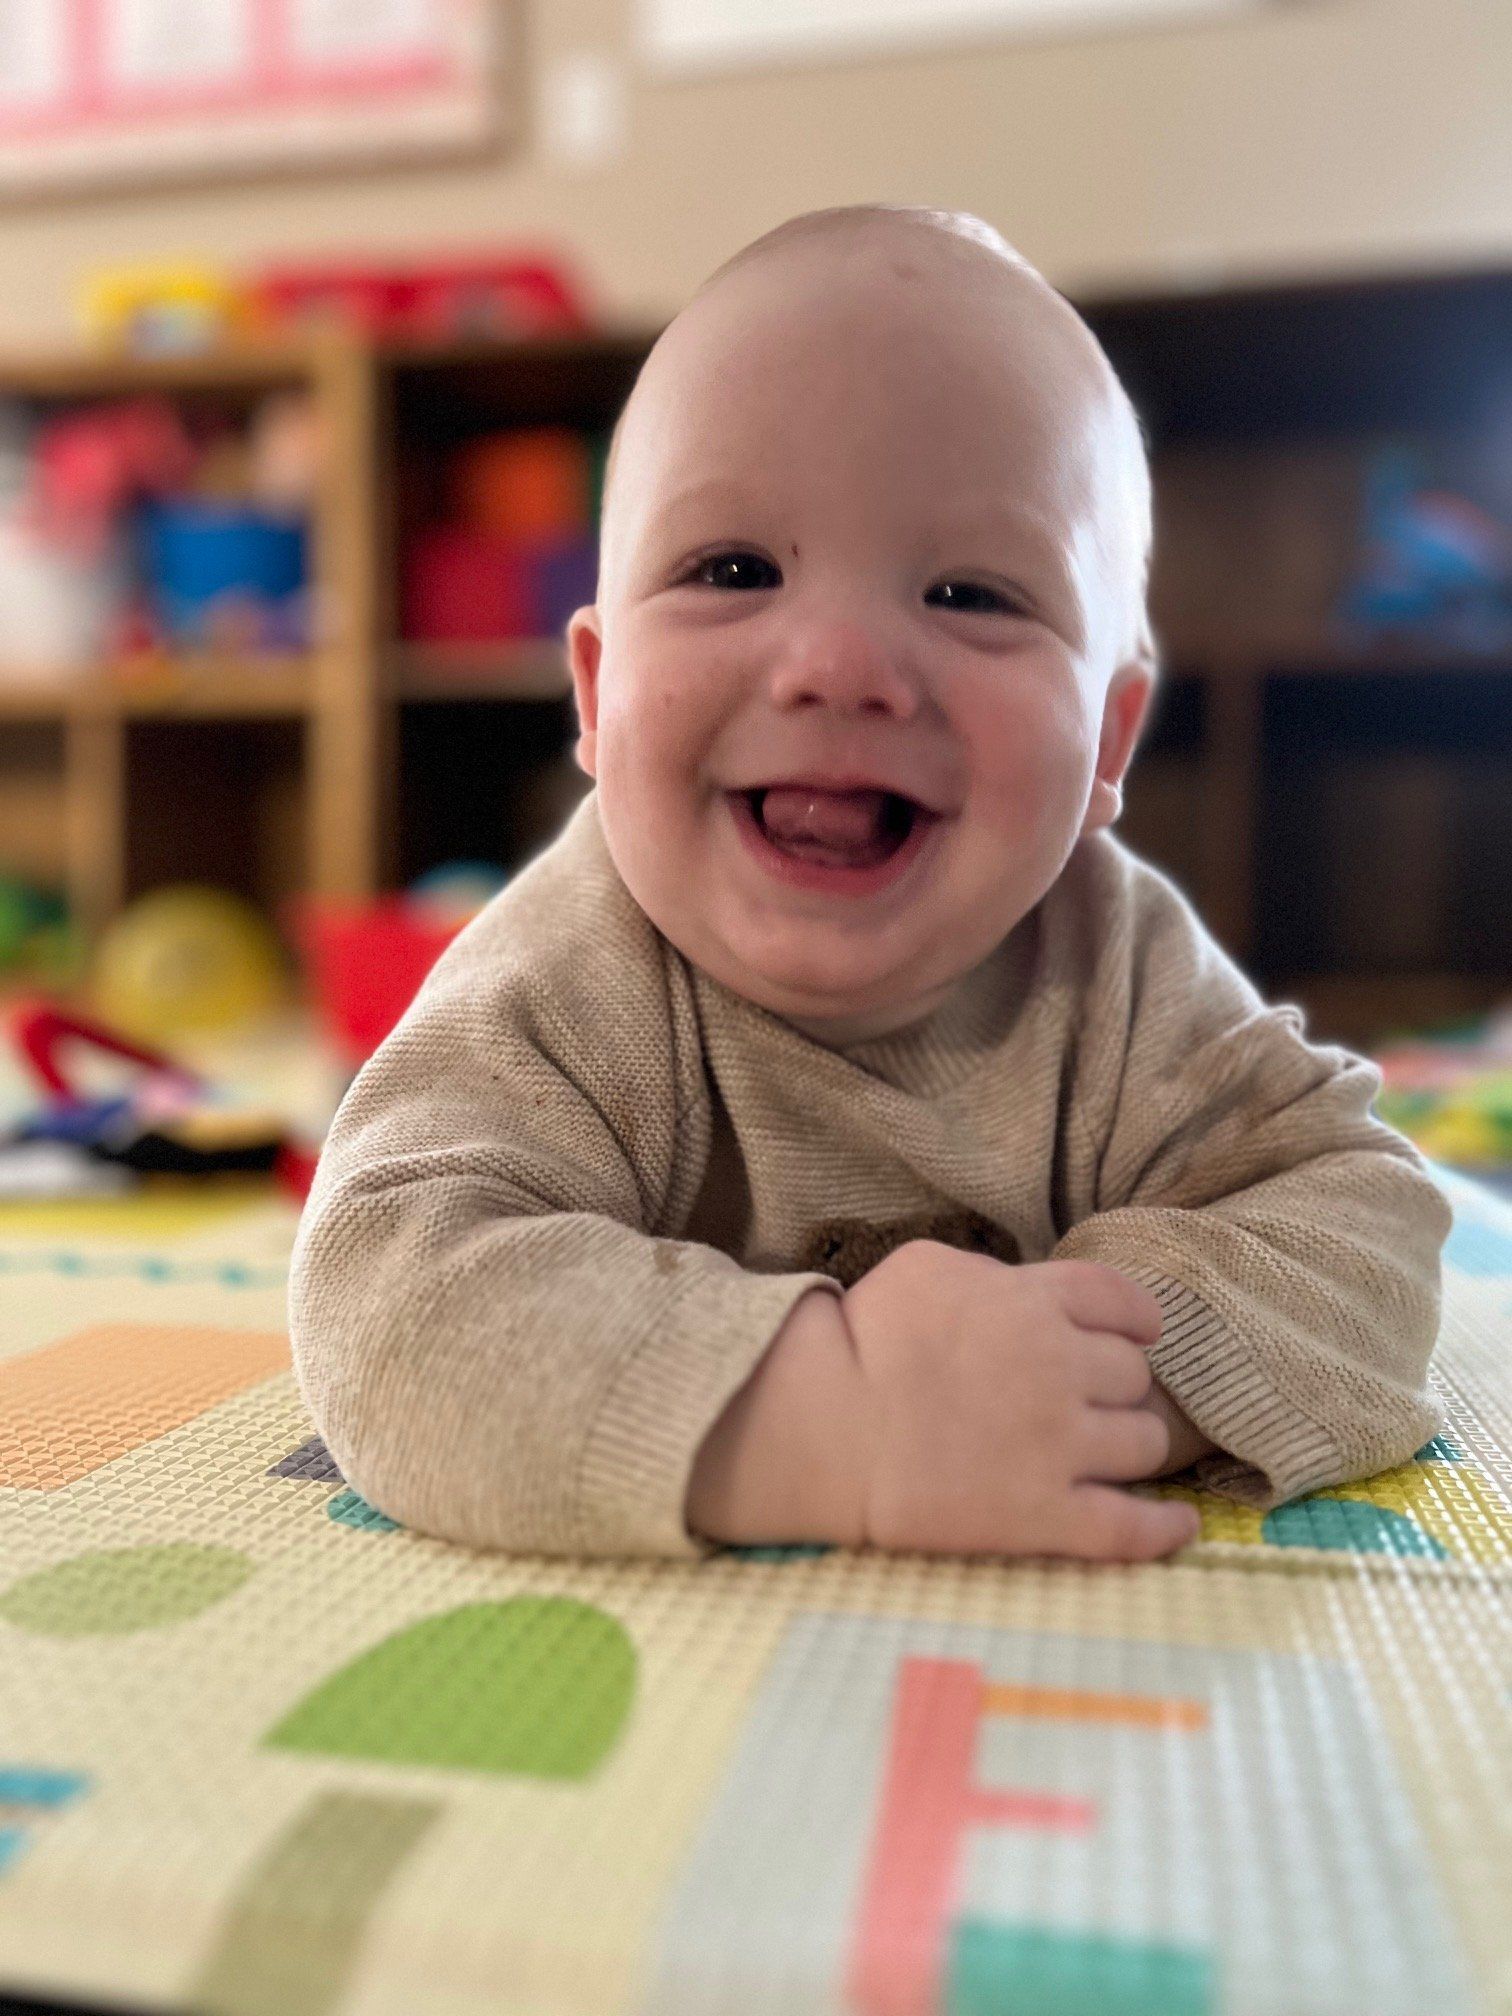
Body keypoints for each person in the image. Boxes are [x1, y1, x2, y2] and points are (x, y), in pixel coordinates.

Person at [288, 205, 1451, 1564]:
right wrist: (835, 1421)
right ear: (598, 698)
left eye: (970, 593)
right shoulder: (569, 973)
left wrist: (1097, 1372)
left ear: (1107, 745)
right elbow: (389, 1301)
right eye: (733, 570)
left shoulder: (1113, 962)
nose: (840, 662)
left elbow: (1366, 1225)